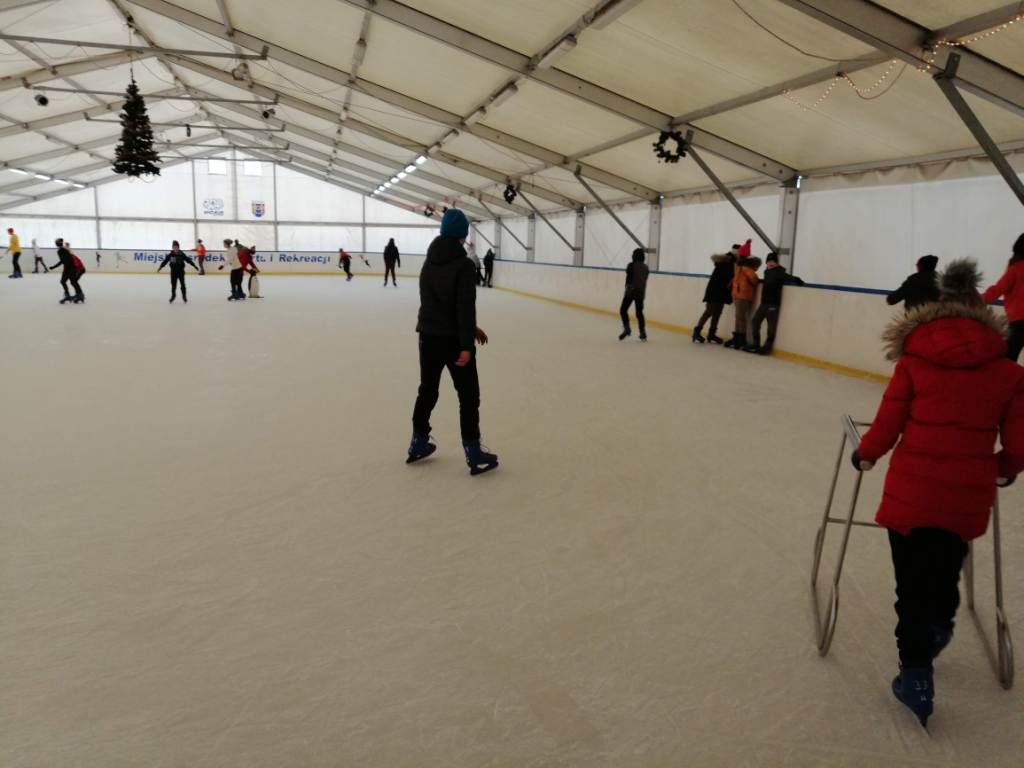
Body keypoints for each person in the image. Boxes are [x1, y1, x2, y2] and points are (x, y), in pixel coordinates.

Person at [851, 259, 1024, 728]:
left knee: (910, 585)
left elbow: (888, 422)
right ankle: (940, 627)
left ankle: (916, 675)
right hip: (966, 495)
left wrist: (865, 454)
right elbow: (1019, 444)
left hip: (911, 492)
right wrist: (1000, 469)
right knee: (945, 571)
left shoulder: (913, 361)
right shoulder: (1008, 373)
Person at [408, 208, 498, 476]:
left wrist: (471, 329)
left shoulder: (429, 262)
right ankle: (474, 453)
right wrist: (466, 346)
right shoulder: (464, 265)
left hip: (427, 337)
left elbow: (435, 303)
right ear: (462, 234)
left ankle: (418, 442)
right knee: (469, 396)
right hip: (453, 341)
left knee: (427, 390)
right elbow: (464, 306)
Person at [744, 252, 804, 355]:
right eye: (769, 261)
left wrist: (798, 280)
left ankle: (767, 347)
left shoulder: (779, 273)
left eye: (773, 261)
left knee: (771, 327)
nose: (771, 263)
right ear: (766, 263)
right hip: (764, 303)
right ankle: (756, 343)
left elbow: (789, 278)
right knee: (755, 321)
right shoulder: (767, 272)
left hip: (773, 305)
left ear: (776, 263)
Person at [982, 233, 1024, 361]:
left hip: (1020, 321)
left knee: (1008, 357)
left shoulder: (1016, 269)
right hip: (1018, 321)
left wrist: (976, 300)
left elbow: (998, 290)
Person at [692, 245, 736, 344]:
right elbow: (725, 279)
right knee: (709, 311)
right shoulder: (725, 264)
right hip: (714, 293)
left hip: (721, 293)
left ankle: (711, 334)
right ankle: (697, 331)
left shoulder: (729, 264)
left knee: (717, 313)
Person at [723, 239, 760, 349]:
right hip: (737, 294)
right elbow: (736, 280)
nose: (738, 256)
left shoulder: (746, 268)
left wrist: (745, 271)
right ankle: (737, 337)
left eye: (740, 255)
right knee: (738, 317)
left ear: (743, 256)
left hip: (744, 295)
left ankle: (742, 338)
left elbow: (754, 280)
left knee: (741, 317)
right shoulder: (739, 267)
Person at [618, 248, 649, 342]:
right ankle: (642, 332)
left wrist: (627, 286)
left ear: (634, 256)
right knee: (639, 313)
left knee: (623, 310)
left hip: (631, 291)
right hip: (641, 292)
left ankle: (627, 328)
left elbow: (628, 277)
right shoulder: (646, 267)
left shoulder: (631, 265)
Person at [49, 237, 84, 304]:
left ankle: (68, 296)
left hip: (68, 269)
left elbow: (63, 261)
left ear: (56, 244)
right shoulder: (65, 250)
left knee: (63, 281)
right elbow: (65, 260)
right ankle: (80, 295)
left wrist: (54, 267)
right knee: (73, 282)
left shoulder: (60, 251)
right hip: (72, 268)